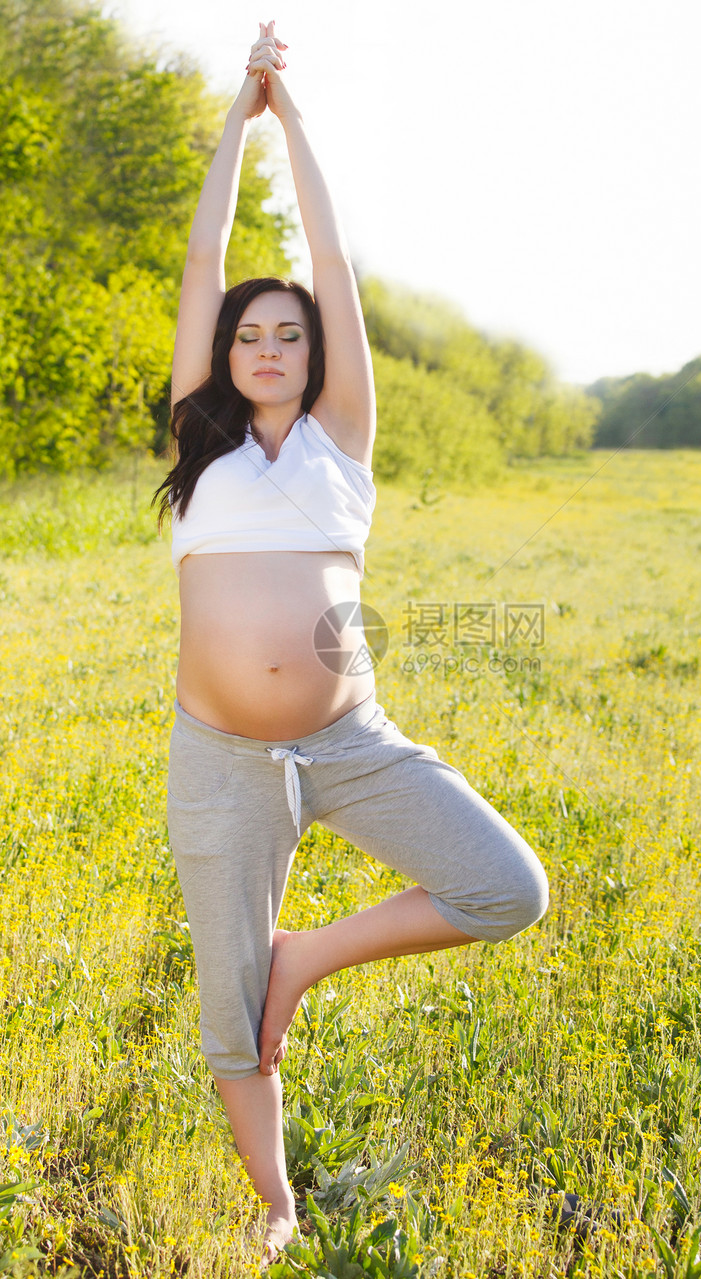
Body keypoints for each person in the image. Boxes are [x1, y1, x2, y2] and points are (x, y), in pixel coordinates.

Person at [155, 21, 549, 1265]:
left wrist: (297, 120)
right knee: (233, 1022)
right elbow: (205, 255)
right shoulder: (198, 449)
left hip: (349, 736)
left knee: (507, 887)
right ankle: (274, 1204)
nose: (267, 347)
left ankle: (303, 956)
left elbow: (327, 258)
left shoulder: (340, 445)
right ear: (224, 353)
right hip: (220, 757)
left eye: (289, 336)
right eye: (247, 336)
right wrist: (237, 114)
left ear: (316, 355)